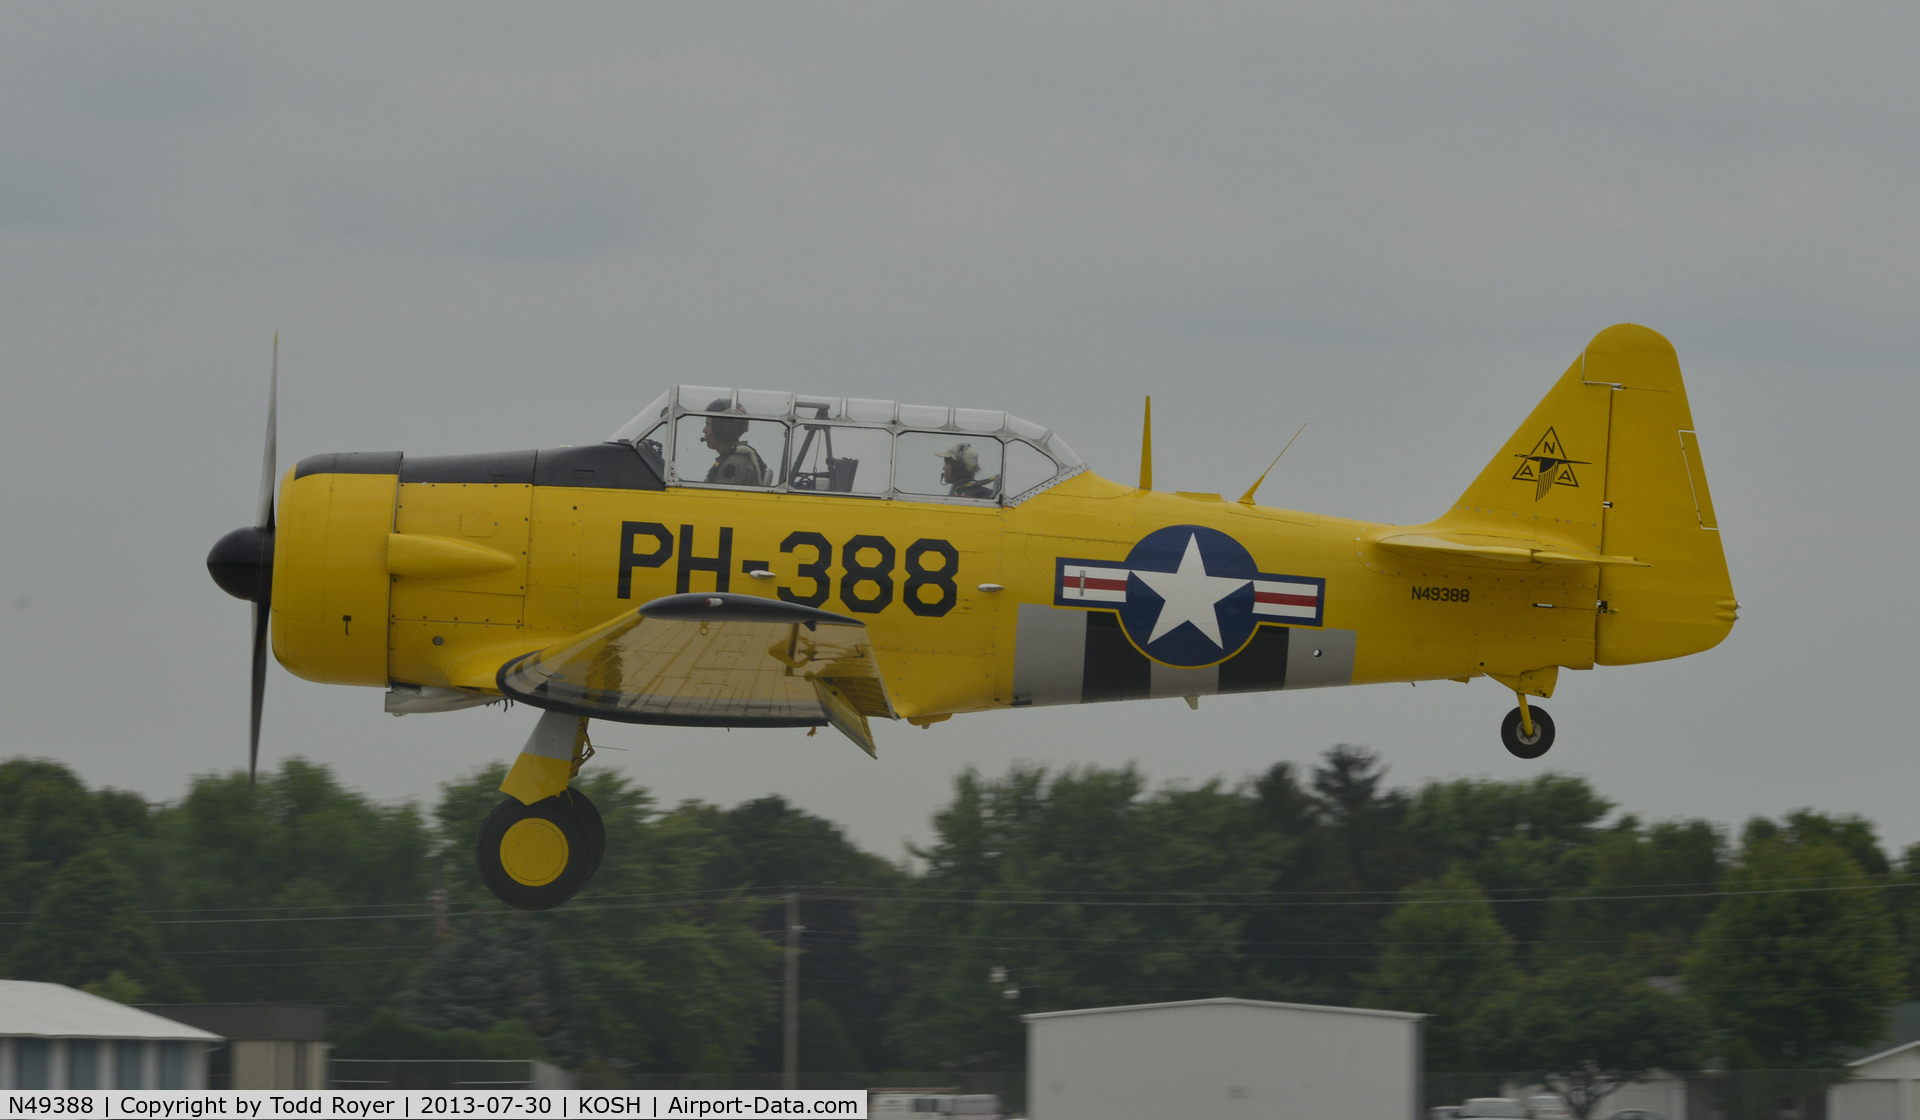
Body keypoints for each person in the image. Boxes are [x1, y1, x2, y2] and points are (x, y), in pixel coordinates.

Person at [701, 400, 770, 485]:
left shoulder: (733, 464)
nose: (704, 430)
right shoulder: (733, 459)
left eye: (708, 424)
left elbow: (721, 497)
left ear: (723, 428)